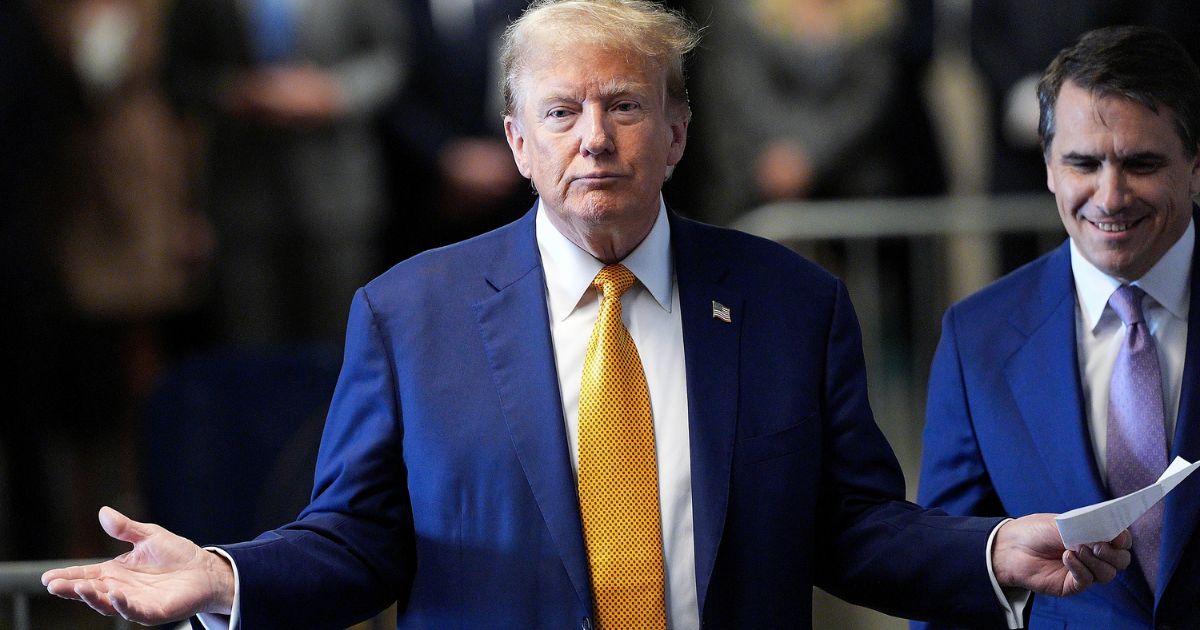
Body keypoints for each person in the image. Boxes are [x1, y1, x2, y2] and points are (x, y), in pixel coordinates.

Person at [43, 2, 1130, 628]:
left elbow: (849, 526)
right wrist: (227, 576)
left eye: (624, 106)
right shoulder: (408, 314)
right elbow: (358, 540)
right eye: (559, 112)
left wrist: (991, 553)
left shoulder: (792, 305)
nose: (593, 139)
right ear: (517, 143)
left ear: (678, 133)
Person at [916, 25, 1200, 629]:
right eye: (1082, 163)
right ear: (1048, 167)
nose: (1110, 194)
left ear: (1195, 166)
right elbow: (948, 573)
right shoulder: (978, 337)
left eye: (1140, 163)